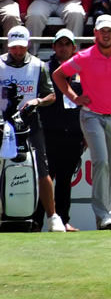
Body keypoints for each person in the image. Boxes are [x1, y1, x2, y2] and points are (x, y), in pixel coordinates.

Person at [52, 14, 111, 230]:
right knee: (101, 161)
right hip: (91, 115)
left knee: (108, 166)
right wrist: (74, 97)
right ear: (95, 33)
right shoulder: (84, 56)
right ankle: (103, 215)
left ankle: (104, 217)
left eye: (109, 30)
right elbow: (58, 75)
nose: (106, 33)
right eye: (102, 30)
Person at [0, 25, 67, 232]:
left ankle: (53, 217)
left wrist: (37, 101)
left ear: (28, 45)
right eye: (13, 48)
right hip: (2, 125)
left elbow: (52, 95)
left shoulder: (39, 66)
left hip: (30, 124)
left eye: (21, 47)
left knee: (42, 169)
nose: (18, 52)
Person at [38, 28, 84, 231]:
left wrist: (84, 134)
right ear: (54, 47)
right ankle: (37, 221)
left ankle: (64, 220)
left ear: (74, 48)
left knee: (65, 180)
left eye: (68, 44)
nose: (64, 48)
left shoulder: (83, 70)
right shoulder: (44, 69)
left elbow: (86, 103)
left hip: (73, 134)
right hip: (48, 133)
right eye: (60, 44)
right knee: (45, 179)